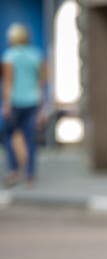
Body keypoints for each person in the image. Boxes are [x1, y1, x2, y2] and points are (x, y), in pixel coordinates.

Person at [2, 23, 45, 188]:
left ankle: (14, 169)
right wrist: (42, 106)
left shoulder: (9, 56)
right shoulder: (36, 55)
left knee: (7, 135)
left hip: (15, 103)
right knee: (31, 139)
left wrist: (6, 104)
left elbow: (8, 82)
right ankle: (30, 174)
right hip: (33, 103)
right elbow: (41, 83)